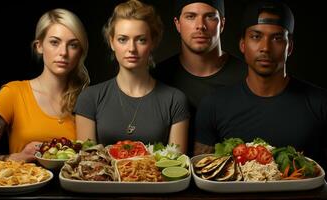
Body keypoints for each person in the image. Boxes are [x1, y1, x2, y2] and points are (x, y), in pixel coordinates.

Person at [194, 0, 327, 170]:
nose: (265, 48)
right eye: (256, 37)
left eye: (277, 38)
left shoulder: (320, 103)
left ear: (290, 47)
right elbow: (203, 172)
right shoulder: (213, 105)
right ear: (243, 44)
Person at [0, 8, 90, 166]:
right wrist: (11, 158)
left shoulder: (88, 99)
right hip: (25, 185)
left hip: (73, 189)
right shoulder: (13, 93)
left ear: (80, 52)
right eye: (54, 42)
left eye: (73, 45)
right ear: (39, 46)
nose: (63, 52)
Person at [75, 0, 190, 153]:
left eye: (141, 40)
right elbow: (86, 164)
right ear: (112, 42)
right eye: (123, 39)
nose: (131, 49)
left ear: (153, 42)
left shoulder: (175, 100)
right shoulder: (89, 98)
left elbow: (177, 167)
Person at [152, 0, 247, 154]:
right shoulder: (157, 77)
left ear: (222, 24)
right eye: (190, 16)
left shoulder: (247, 76)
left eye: (210, 16)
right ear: (177, 23)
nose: (200, 25)